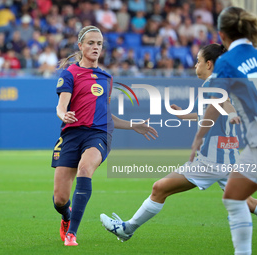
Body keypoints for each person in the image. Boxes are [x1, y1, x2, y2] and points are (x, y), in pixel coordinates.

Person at [100, 43, 257, 243]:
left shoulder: (213, 84)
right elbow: (212, 112)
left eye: (198, 61)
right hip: (229, 158)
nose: (195, 66)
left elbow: (222, 103)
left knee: (160, 188)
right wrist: (184, 115)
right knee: (247, 202)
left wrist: (231, 111)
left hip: (211, 162)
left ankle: (126, 229)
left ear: (209, 64)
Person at [52, 25, 158, 246]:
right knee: (59, 199)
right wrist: (65, 114)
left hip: (99, 135)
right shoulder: (69, 73)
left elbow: (105, 115)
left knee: (85, 168)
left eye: (99, 43)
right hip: (72, 134)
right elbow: (61, 106)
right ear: (80, 46)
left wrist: (132, 125)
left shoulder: (106, 78)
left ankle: (72, 233)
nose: (95, 47)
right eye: (90, 43)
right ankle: (66, 216)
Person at [190, 7, 257, 255]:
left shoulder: (227, 61)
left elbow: (218, 100)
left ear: (222, 34)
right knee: (235, 195)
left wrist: (198, 138)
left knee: (234, 198)